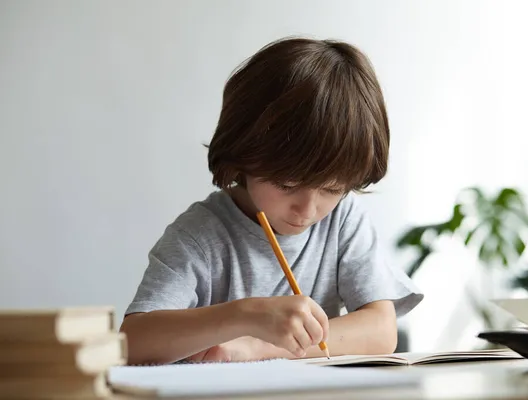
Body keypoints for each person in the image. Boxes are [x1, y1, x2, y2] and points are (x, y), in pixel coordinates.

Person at [120, 36, 423, 365]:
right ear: (244, 152)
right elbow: (131, 343)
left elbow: (381, 330)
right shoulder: (199, 236)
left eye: (333, 189)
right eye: (287, 183)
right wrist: (245, 315)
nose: (308, 211)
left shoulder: (342, 221)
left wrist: (259, 346)